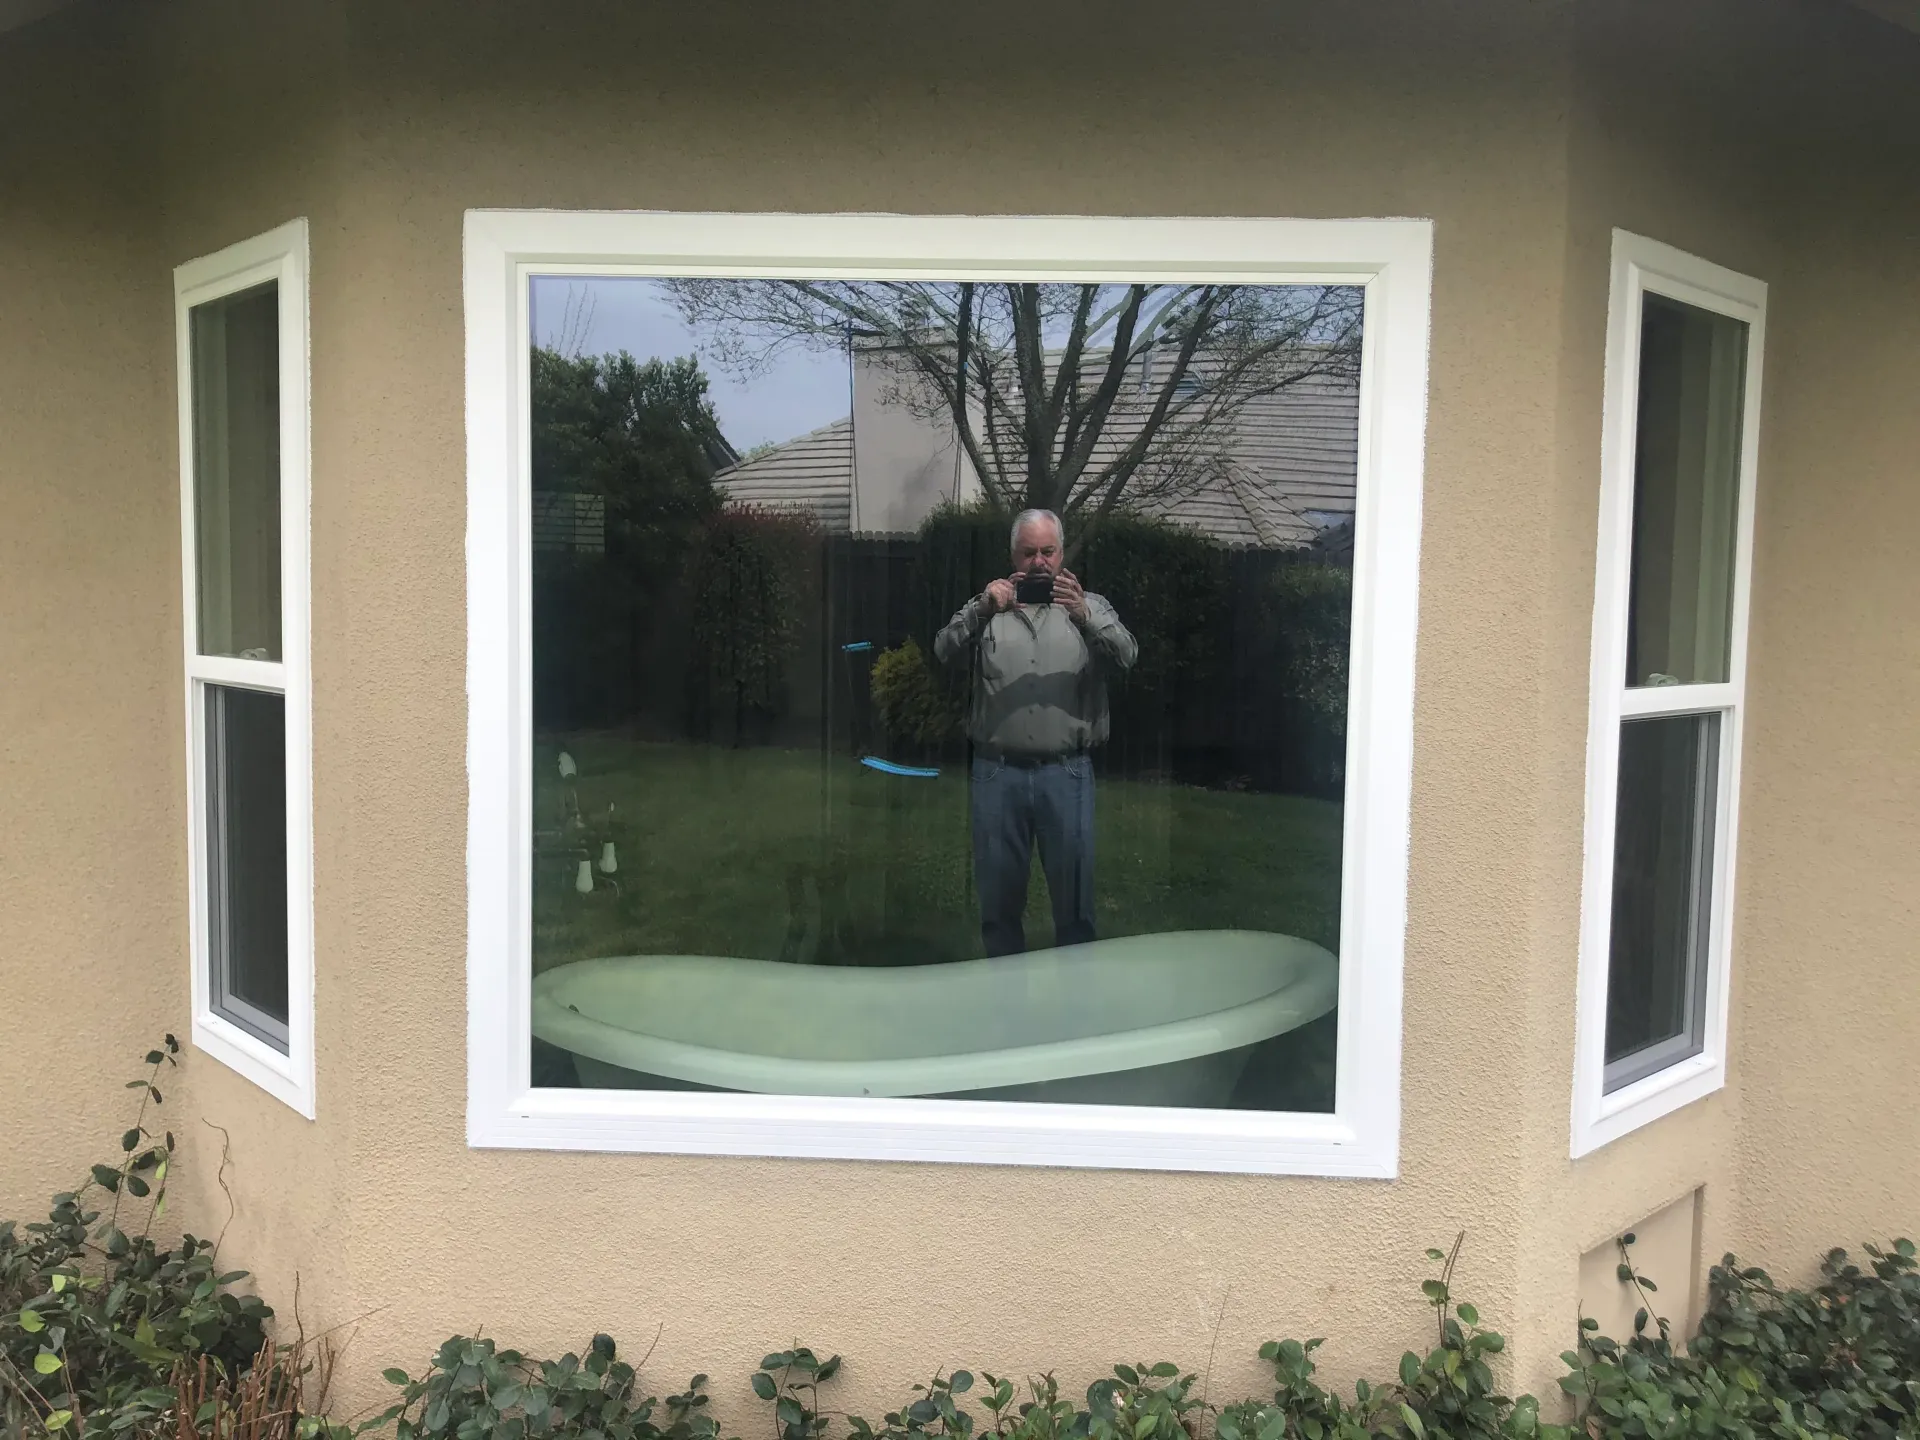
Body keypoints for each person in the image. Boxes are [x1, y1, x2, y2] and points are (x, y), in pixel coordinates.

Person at [933, 508, 1138, 957]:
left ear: (1061, 554)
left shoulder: (1088, 606)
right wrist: (982, 609)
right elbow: (943, 648)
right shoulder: (990, 606)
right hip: (996, 773)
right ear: (1014, 556)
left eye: (1048, 551)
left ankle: (1075, 995)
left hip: (1066, 773)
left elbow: (1128, 654)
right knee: (998, 904)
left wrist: (1085, 614)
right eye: (1029, 553)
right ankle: (1005, 996)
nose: (1039, 562)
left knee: (1075, 905)